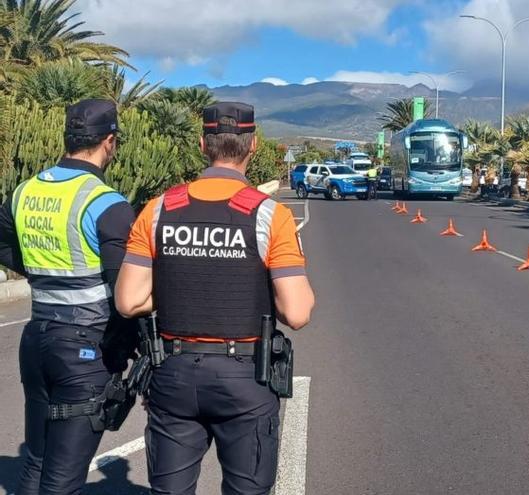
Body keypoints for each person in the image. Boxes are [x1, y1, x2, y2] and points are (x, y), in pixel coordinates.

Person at [115, 102, 315, 494]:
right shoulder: (270, 216)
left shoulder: (158, 210)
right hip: (244, 377)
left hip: (172, 372)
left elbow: (128, 301)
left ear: (202, 144)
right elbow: (297, 312)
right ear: (252, 145)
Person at [0, 99, 137, 495]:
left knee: (36, 463)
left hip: (36, 338)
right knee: (63, 480)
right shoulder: (106, 202)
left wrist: (41, 271)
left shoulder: (25, 191)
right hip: (84, 346)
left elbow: (4, 242)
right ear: (109, 141)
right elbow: (124, 288)